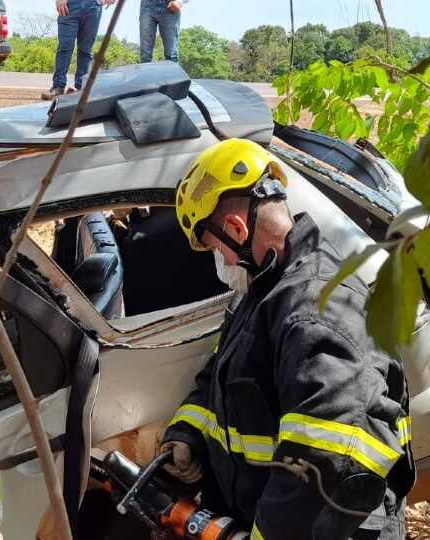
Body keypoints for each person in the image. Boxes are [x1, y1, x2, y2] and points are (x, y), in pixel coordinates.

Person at [160, 139, 415, 539]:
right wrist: (188, 433)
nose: (223, 262)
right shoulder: (265, 291)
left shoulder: (316, 308)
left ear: (235, 228)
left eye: (214, 249)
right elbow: (223, 376)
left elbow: (329, 457)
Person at [42, 0, 114, 100]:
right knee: (65, 47)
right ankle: (58, 87)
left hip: (94, 6)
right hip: (69, 5)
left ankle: (81, 88)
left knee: (86, 49)